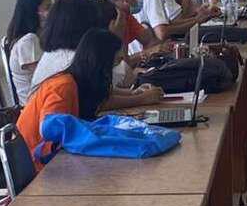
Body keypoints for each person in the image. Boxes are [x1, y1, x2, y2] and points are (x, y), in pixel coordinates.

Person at [17, 29, 163, 171]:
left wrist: (135, 95)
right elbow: (49, 128)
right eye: (114, 63)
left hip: (50, 158)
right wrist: (141, 99)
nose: (114, 70)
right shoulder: (63, 86)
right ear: (101, 65)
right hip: (37, 164)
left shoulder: (78, 82)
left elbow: (103, 97)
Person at [5, 0, 51, 105]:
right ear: (33, 12)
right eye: (48, 7)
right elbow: (45, 77)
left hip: (36, 102)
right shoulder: (29, 41)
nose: (53, 12)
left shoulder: (29, 38)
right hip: (35, 106)